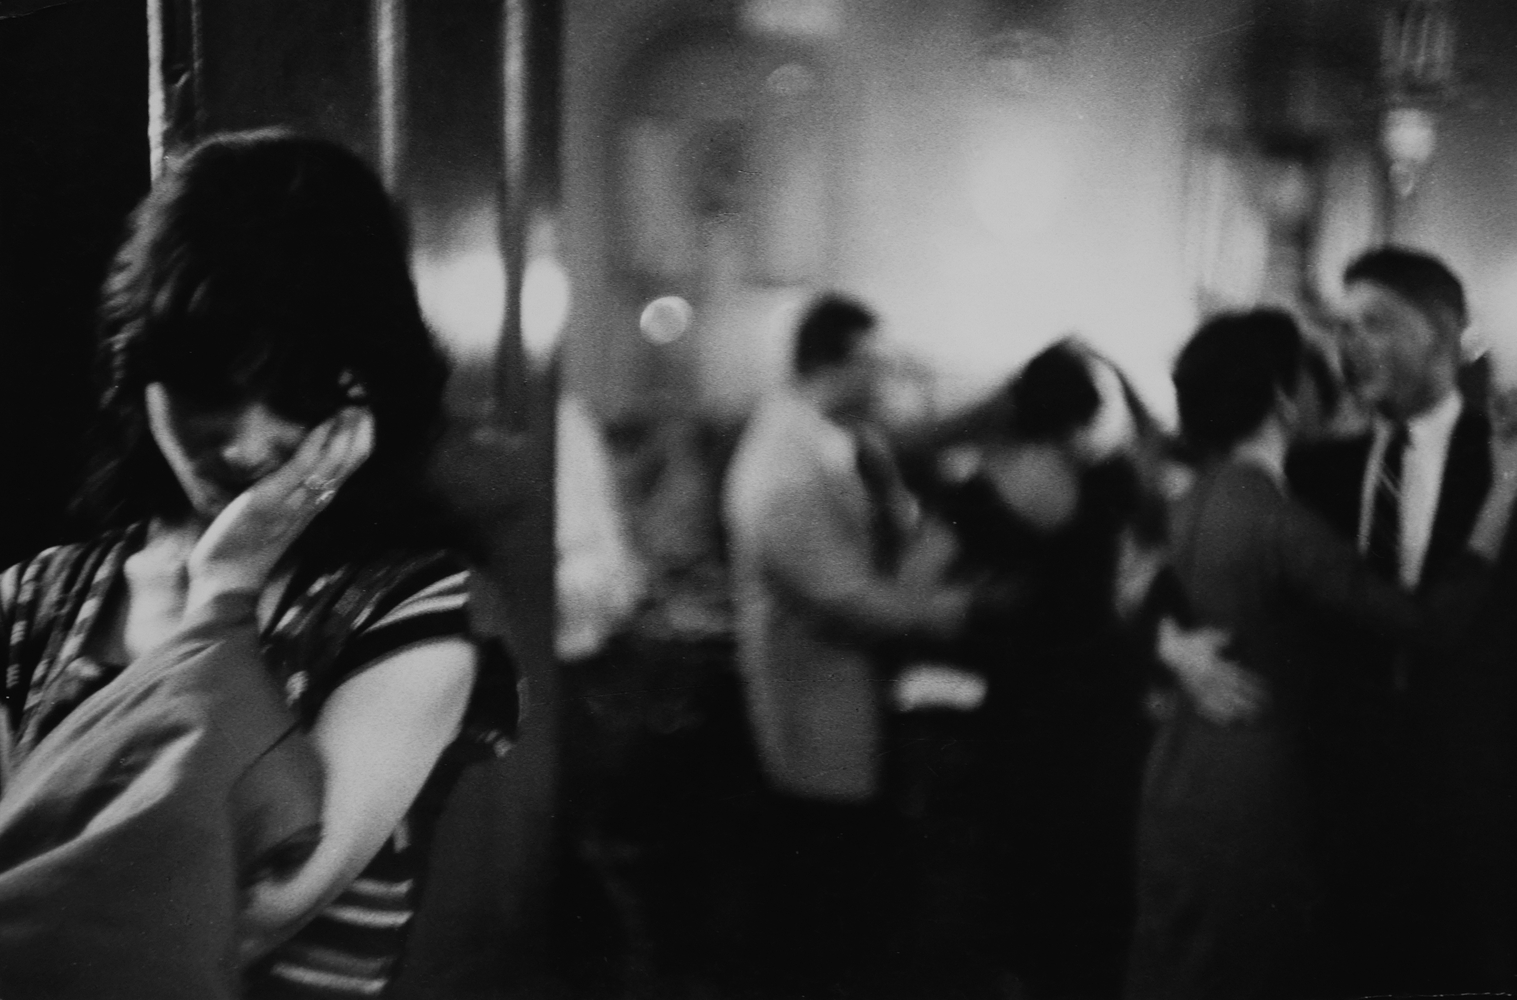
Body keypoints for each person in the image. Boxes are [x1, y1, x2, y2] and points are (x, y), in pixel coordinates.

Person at [0, 130, 515, 998]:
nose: (244, 442)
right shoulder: (30, 603)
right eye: (205, 387)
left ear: (364, 385)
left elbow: (240, 911)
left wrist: (225, 597)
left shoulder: (409, 613)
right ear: (139, 375)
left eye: (294, 389)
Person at [1124, 309, 1442, 999]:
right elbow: (1419, 622)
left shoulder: (1188, 500)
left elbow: (1132, 591)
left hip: (1177, 770)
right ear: (1279, 395)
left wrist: (1167, 644)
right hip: (1252, 779)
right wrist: (1496, 515)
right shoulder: (1275, 516)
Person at [723, 294, 971, 995]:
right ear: (844, 360)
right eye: (876, 361)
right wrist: (940, 613)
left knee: (847, 884)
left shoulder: (835, 439)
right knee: (822, 901)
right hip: (814, 703)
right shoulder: (783, 460)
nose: (885, 376)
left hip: (847, 698)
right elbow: (837, 594)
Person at [1285, 247, 1517, 992]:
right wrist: (1173, 640)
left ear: (1443, 336)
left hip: (1473, 790)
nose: (1351, 347)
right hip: (1344, 786)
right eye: (1344, 327)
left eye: (1375, 325)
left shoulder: (1503, 465)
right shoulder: (1317, 470)